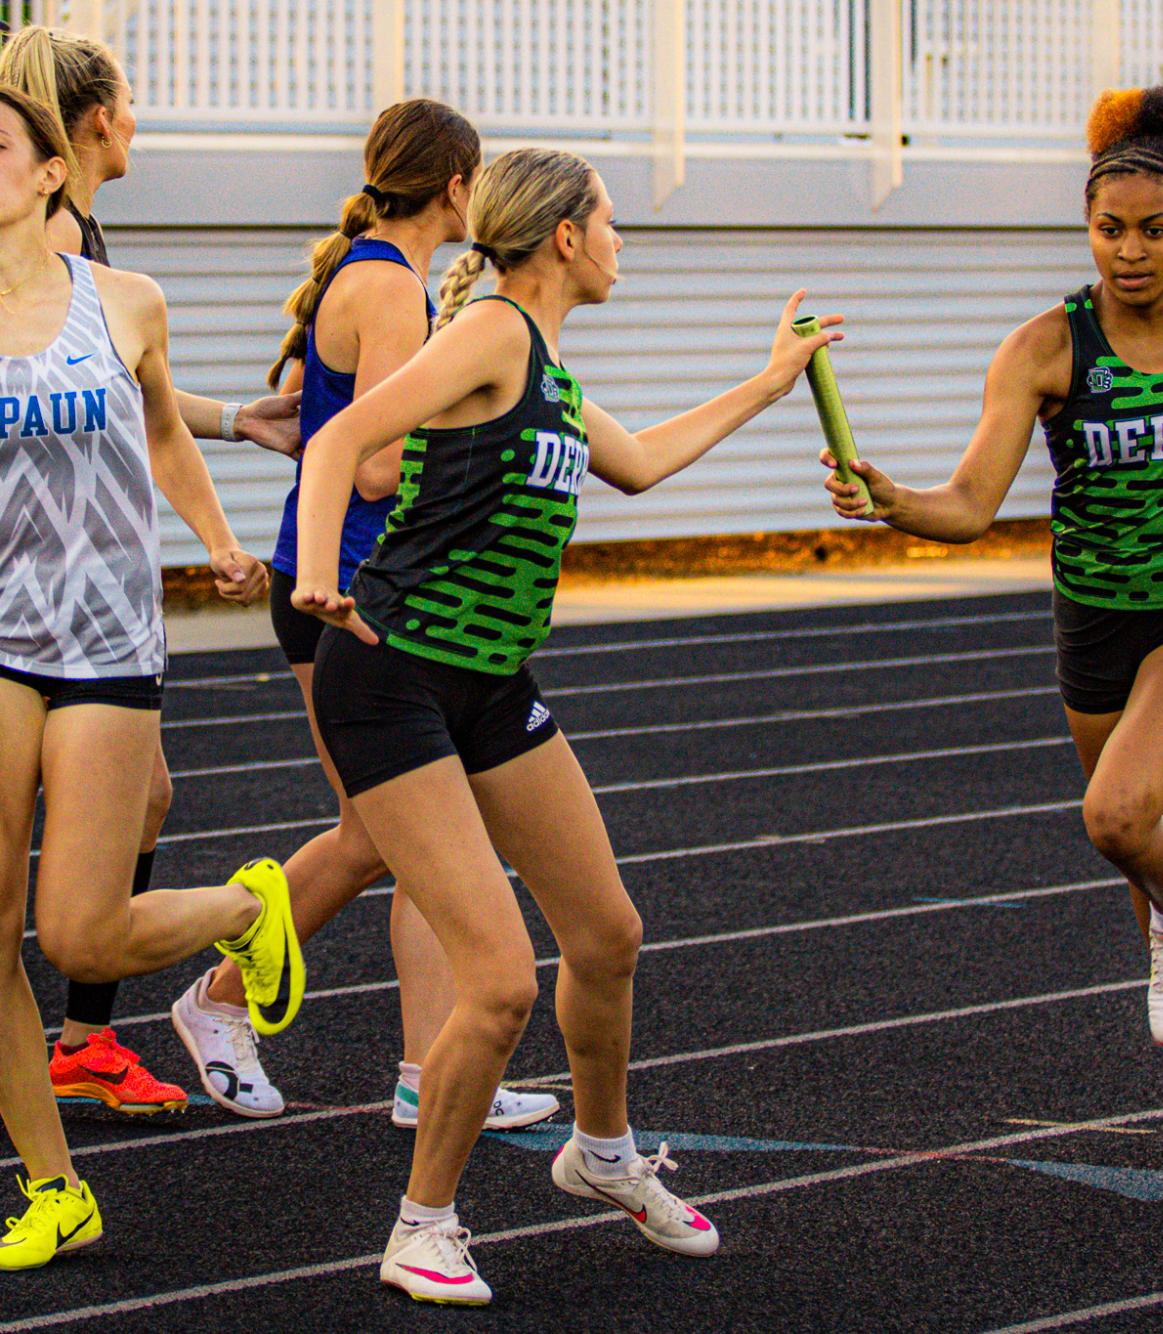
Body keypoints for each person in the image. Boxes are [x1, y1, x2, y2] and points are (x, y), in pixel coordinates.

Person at [291, 146, 840, 1304]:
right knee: (498, 981)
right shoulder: (492, 329)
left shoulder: (550, 367)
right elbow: (339, 441)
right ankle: (420, 1224)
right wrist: (313, 576)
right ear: (565, 239)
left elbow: (639, 465)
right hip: (390, 675)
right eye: (611, 220)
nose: (622, 238)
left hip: (490, 681)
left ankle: (601, 1152)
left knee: (608, 932)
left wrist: (768, 382)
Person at [822, 83, 1163, 1151]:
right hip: (1097, 621)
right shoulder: (1047, 350)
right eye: (1109, 229)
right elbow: (966, 505)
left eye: (1154, 230)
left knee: (1117, 814)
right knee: (1154, 835)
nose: (1130, 251)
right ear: (1085, 227)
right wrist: (890, 498)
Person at [165, 97, 556, 1134]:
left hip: (349, 581)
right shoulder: (390, 286)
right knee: (380, 838)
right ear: (460, 187)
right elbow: (377, 458)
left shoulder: (368, 271)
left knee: (413, 844)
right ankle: (216, 998)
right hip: (349, 592)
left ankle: (427, 1070)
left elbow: (304, 403)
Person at [0, 85, 301, 1272]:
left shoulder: (124, 302)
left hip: (106, 641)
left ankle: (245, 906)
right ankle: (55, 1184)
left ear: (44, 176)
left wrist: (219, 537)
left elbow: (164, 428)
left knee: (77, 925)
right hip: (0, 637)